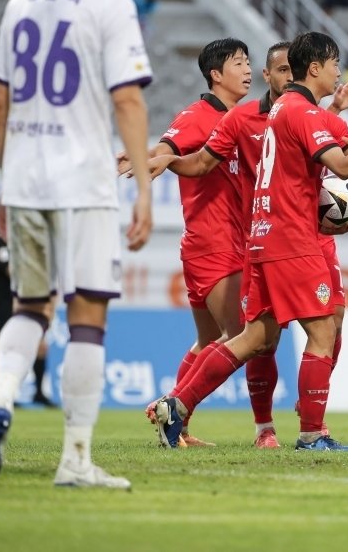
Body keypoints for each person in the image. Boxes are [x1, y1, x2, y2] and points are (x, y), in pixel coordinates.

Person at [146, 32, 348, 451]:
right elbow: (343, 166)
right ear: (315, 67)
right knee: (322, 329)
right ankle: (312, 434)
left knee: (255, 337)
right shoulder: (298, 114)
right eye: (334, 64)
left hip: (259, 238)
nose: (338, 72)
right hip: (292, 237)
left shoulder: (280, 113)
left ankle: (177, 404)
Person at [0, 0, 153, 489]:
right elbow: (127, 99)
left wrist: (6, 182)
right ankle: (75, 458)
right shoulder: (111, 4)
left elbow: (0, 102)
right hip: (84, 183)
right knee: (86, 317)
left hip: (24, 179)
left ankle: (1, 400)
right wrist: (147, 189)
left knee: (28, 306)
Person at [141, 38, 253, 448]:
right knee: (242, 335)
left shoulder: (236, 118)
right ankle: (173, 407)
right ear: (215, 75)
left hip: (219, 242)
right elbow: (166, 149)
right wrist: (145, 161)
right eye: (237, 63)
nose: (247, 70)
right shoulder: (197, 115)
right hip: (213, 242)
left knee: (209, 341)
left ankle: (177, 425)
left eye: (248, 62)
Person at [0, 237, 55, 408]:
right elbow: (10, 270)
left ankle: (39, 392)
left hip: (30, 303)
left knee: (41, 347)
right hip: (4, 307)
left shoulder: (26, 242)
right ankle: (5, 394)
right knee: (5, 350)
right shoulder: (1, 246)